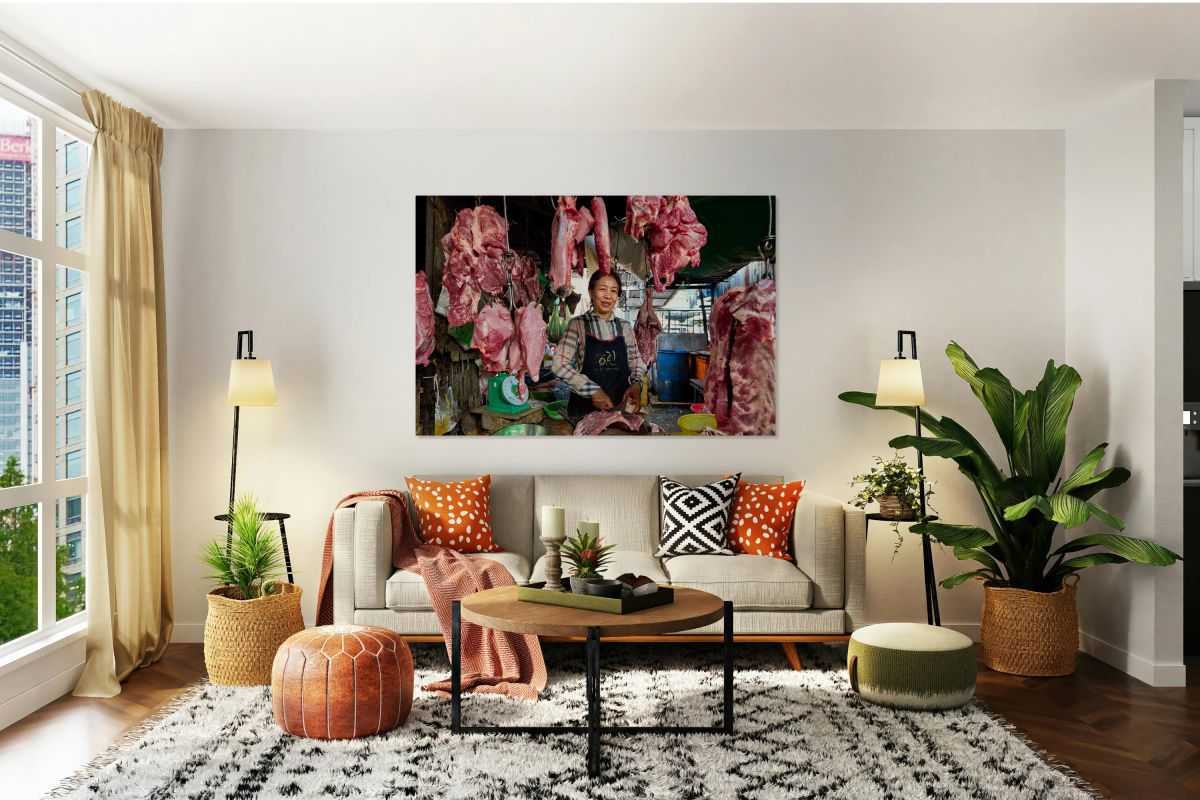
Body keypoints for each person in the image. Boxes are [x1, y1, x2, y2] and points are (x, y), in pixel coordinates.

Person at [551, 270, 645, 418]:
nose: (608, 296)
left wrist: (637, 384)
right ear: (591, 292)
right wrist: (591, 390)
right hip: (584, 412)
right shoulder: (577, 324)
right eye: (602, 289)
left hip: (620, 409)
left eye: (613, 291)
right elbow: (559, 364)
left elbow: (636, 361)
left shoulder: (625, 326)